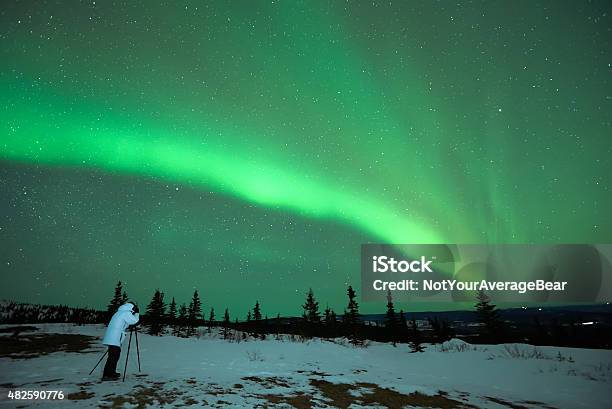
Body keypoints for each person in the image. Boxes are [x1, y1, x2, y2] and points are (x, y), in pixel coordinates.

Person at [101, 301, 139, 381]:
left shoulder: (120, 312)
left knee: (113, 356)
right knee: (113, 357)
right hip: (114, 338)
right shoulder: (126, 313)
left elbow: (126, 323)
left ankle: (110, 373)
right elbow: (134, 321)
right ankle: (108, 375)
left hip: (112, 337)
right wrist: (137, 313)